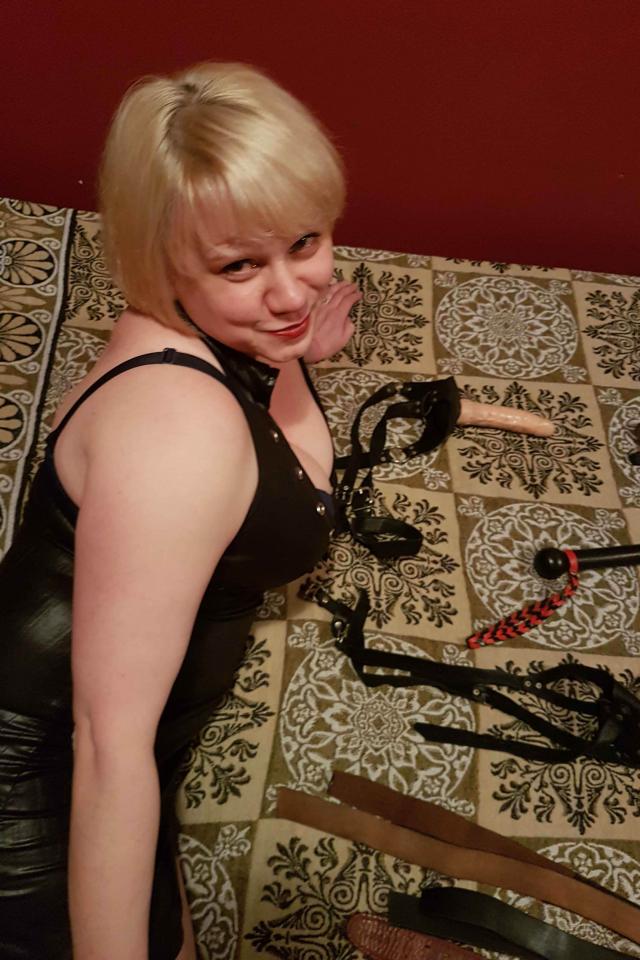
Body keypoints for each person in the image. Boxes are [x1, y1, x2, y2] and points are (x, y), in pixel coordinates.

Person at [0, 61, 360, 960]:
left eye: (306, 242)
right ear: (163, 260)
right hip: (36, 787)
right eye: (240, 265)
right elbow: (106, 746)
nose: (293, 293)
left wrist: (292, 354)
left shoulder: (220, 333)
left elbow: (283, 440)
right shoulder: (176, 435)